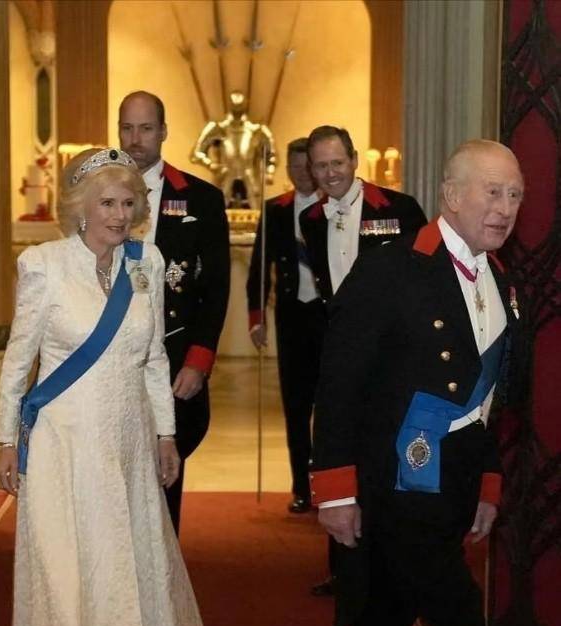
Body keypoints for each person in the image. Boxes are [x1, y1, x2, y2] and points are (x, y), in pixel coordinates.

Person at [308, 140, 538, 626]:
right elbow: (339, 383)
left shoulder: (501, 281)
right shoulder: (391, 269)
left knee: (385, 616)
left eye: (514, 195)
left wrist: (487, 481)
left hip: (455, 478)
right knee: (456, 614)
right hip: (398, 478)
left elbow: (488, 404)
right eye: (491, 192)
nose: (504, 208)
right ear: (450, 194)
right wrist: (334, 490)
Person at [0, 148, 223, 626]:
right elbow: (18, 363)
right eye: (107, 204)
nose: (120, 215)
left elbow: (154, 358)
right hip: (64, 443)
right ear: (80, 209)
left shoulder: (147, 262)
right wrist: (6, 440)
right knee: (72, 570)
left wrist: (166, 434)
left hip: (128, 442)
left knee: (132, 563)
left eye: (128, 203)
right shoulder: (43, 265)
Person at [300, 125, 427, 595]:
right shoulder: (311, 218)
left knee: (384, 458)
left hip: (393, 355)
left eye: (337, 163)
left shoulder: (399, 208)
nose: (330, 173)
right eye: (321, 166)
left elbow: (423, 278)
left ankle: (390, 567)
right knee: (337, 449)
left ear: (354, 160)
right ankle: (344, 570)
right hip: (341, 352)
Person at [119, 90, 230, 533]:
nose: (136, 138)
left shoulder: (200, 198)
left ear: (164, 132)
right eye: (127, 128)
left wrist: (199, 360)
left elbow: (216, 287)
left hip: (173, 354)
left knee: (165, 473)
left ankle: (162, 564)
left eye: (146, 128)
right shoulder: (97, 192)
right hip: (111, 356)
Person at [246, 138, 322, 513]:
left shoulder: (333, 207)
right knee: (295, 405)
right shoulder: (275, 209)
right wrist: (256, 318)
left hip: (329, 317)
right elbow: (259, 268)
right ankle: (301, 488)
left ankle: (327, 484)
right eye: (293, 167)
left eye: (306, 166)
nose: (300, 173)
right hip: (292, 316)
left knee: (329, 407)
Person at [191, 89, 277, 208]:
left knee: (257, 213)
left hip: (250, 178)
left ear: (245, 104)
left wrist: (269, 172)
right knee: (217, 213)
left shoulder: (257, 130)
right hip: (224, 177)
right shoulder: (218, 128)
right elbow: (197, 153)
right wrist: (210, 165)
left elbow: (271, 154)